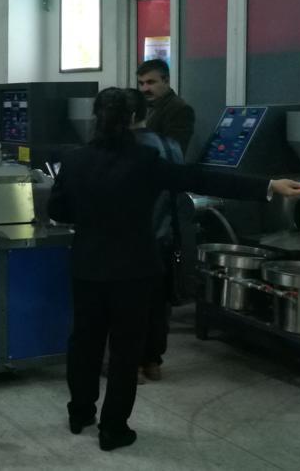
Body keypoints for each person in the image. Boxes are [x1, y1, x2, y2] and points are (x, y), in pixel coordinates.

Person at [47, 87, 300, 452]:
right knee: (125, 351)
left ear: (95, 116)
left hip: (88, 268)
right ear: (135, 119)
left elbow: (57, 211)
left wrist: (89, 215)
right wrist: (268, 185)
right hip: (135, 271)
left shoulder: (74, 161)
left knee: (84, 342)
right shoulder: (145, 160)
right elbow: (201, 179)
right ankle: (113, 430)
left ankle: (80, 413)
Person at [126, 88, 183, 383]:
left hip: (131, 240)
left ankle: (131, 364)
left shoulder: (127, 149)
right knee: (158, 305)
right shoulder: (171, 145)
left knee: (129, 305)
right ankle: (153, 362)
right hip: (164, 237)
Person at [137, 59, 195, 154]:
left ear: (166, 81)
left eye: (150, 82)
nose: (144, 89)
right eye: (141, 83)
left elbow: (174, 152)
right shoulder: (141, 105)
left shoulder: (180, 109)